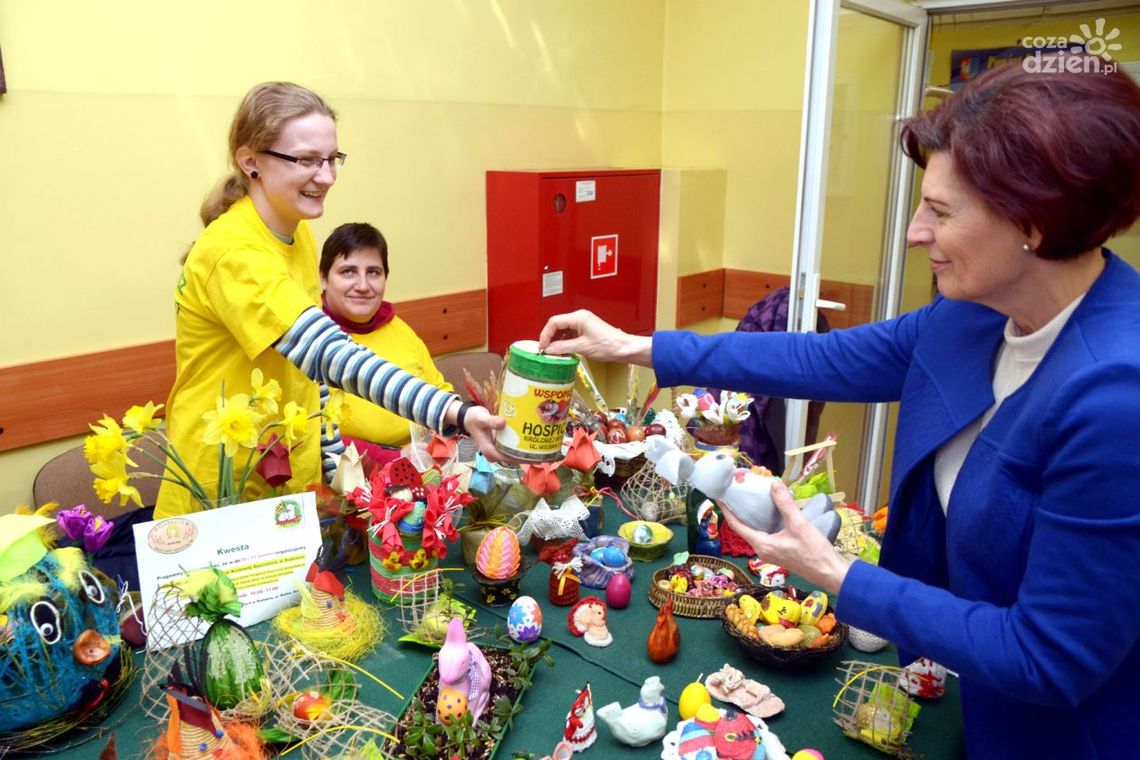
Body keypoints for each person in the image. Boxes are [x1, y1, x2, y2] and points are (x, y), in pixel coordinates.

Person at [539, 60, 1140, 757]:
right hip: (977, 694)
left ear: (1035, 222)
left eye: (941, 212)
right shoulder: (975, 314)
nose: (915, 231)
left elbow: (1049, 657)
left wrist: (834, 573)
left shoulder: (1115, 397)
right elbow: (823, 360)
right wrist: (637, 345)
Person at [158, 82, 503, 519]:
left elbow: (310, 379)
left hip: (284, 475)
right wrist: (453, 411)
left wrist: (340, 472)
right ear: (250, 162)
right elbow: (326, 354)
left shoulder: (296, 230)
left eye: (332, 159)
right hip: (223, 486)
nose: (326, 177)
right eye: (306, 160)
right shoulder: (234, 251)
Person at [319, 222, 453, 455]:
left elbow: (441, 393)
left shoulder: (399, 329)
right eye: (348, 272)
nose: (362, 286)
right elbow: (310, 438)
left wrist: (440, 442)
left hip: (423, 460)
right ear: (323, 278)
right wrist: (391, 458)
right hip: (349, 473)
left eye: (373, 272)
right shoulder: (310, 338)